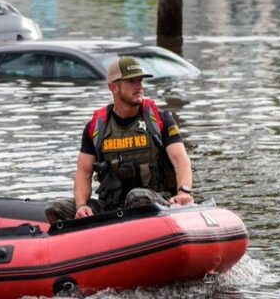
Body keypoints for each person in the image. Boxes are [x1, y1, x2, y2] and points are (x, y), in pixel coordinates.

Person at [44, 57, 194, 223]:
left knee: (137, 197)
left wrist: (184, 193)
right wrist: (81, 206)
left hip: (156, 201)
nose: (139, 86)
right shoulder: (96, 127)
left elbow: (180, 161)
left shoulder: (160, 120)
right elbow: (84, 172)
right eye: (131, 81)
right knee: (55, 209)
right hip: (111, 206)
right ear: (113, 87)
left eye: (140, 80)